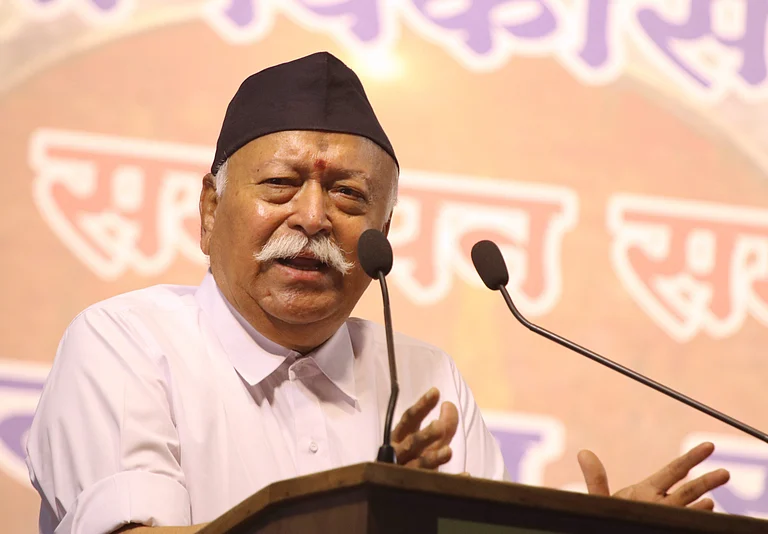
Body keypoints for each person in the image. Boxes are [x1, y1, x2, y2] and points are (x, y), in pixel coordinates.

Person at [25, 52, 730, 534]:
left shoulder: (425, 378)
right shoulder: (127, 343)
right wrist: (368, 507)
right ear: (210, 210)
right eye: (279, 185)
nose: (311, 217)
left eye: (348, 195)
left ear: (384, 232)